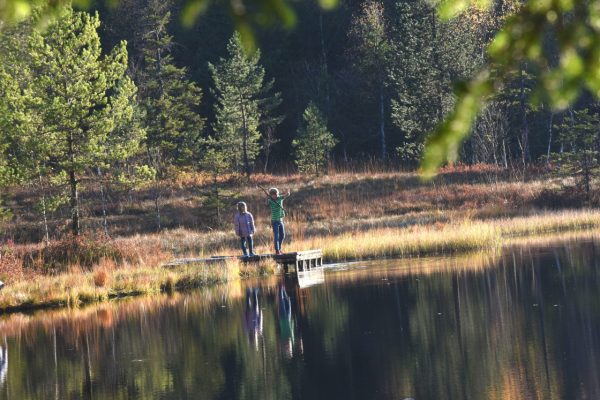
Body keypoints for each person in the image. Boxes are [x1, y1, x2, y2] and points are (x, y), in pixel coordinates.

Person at [265, 187, 290, 255]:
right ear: (271, 195)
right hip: (274, 221)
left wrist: (287, 192)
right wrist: (267, 197)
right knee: (276, 235)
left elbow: (286, 195)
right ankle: (277, 250)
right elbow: (266, 204)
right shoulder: (270, 200)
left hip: (280, 220)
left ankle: (279, 248)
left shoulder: (280, 198)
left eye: (277, 194)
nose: (276, 196)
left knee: (282, 235)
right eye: (274, 195)